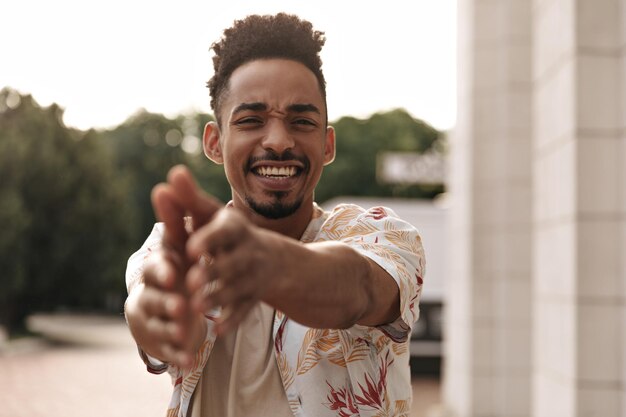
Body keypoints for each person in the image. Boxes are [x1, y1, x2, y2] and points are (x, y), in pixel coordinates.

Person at [124, 12, 425, 417]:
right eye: (251, 120)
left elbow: (358, 288)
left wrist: (266, 261)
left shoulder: (384, 235)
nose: (279, 141)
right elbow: (153, 304)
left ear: (327, 144)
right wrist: (156, 313)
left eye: (302, 121)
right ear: (214, 142)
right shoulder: (174, 242)